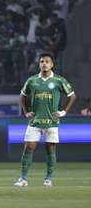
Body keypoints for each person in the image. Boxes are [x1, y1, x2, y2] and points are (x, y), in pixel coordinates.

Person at [14, 53, 76, 187]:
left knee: (50, 150)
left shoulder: (59, 80)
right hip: (35, 121)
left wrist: (64, 111)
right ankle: (23, 179)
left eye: (47, 61)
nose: (44, 64)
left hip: (51, 122)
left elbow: (72, 96)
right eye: (42, 61)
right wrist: (26, 111)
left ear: (52, 64)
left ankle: (48, 179)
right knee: (28, 148)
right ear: (39, 64)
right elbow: (22, 96)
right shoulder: (32, 80)